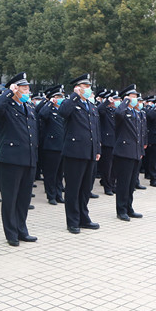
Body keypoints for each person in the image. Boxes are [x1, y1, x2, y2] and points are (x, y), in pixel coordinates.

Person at [0, 73, 38, 246]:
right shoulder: (6, 106)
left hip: (29, 158)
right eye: (24, 89)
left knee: (24, 198)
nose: (27, 92)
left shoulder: (30, 107)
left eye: (28, 88)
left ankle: (22, 230)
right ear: (16, 89)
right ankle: (11, 233)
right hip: (11, 159)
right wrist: (8, 92)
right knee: (10, 198)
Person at [58, 74, 101, 234]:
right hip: (74, 153)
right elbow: (63, 112)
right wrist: (75, 96)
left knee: (85, 189)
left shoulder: (91, 106)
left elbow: (95, 129)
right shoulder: (71, 103)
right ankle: (73, 221)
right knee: (73, 189)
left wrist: (97, 149)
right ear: (78, 88)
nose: (88, 89)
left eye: (89, 86)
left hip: (89, 152)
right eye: (85, 86)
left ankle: (84, 218)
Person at [113, 85, 143, 222]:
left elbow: (139, 134)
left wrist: (141, 150)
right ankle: (121, 210)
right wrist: (125, 101)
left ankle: (129, 207)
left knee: (131, 184)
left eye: (136, 97)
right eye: (132, 96)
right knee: (123, 183)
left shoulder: (136, 112)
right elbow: (118, 114)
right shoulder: (122, 111)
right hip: (124, 152)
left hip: (135, 152)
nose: (135, 99)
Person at [38, 85, 65, 205]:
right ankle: (51, 195)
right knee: (50, 173)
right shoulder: (48, 109)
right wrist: (49, 102)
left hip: (62, 146)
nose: (59, 99)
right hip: (51, 146)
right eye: (57, 96)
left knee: (60, 174)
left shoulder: (63, 110)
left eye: (61, 96)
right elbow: (41, 114)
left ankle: (59, 194)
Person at [97, 90, 117, 196]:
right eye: (115, 99)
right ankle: (107, 186)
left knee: (114, 166)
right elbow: (99, 110)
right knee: (107, 167)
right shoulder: (105, 110)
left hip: (116, 142)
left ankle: (113, 185)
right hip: (107, 142)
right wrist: (106, 102)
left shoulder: (116, 111)